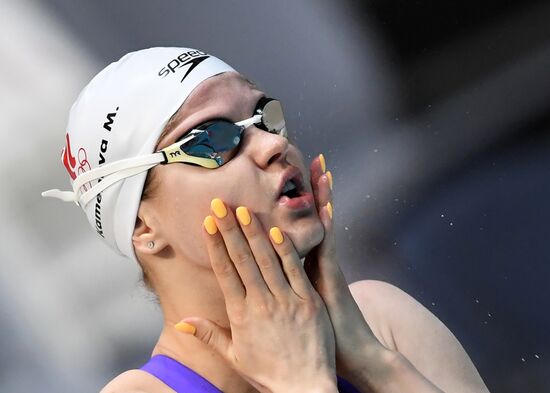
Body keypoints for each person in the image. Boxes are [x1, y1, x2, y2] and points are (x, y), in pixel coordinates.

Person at [43, 47, 489, 393]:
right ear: (143, 226)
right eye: (213, 138)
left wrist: (377, 366)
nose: (271, 145)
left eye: (264, 118)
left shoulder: (382, 323)